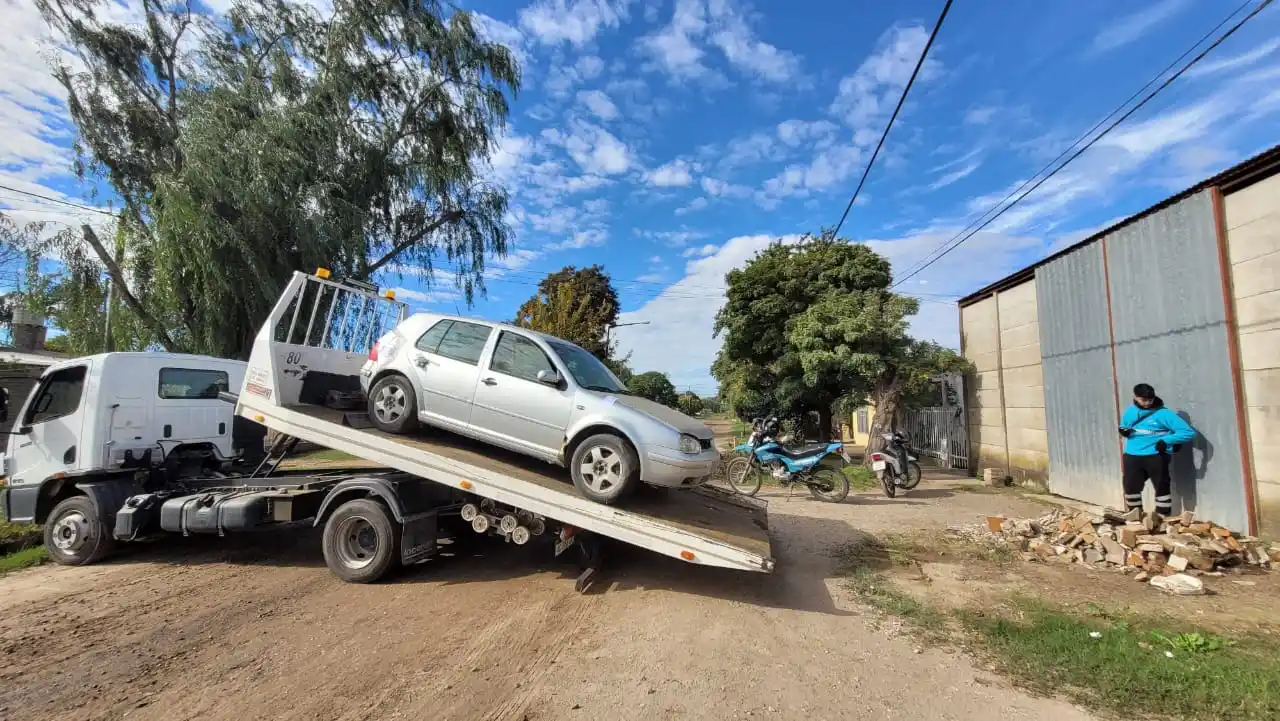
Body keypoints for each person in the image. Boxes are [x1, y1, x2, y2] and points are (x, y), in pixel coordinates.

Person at [1118, 383, 1197, 518]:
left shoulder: (1164, 413)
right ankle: (1135, 515)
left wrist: (1167, 441)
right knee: (1131, 486)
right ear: (1135, 397)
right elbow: (1124, 426)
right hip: (1132, 455)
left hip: (1156, 455)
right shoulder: (1130, 411)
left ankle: (1162, 517)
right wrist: (1123, 431)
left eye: (1150, 400)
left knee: (1161, 487)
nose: (1148, 403)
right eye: (1144, 400)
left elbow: (1188, 432)